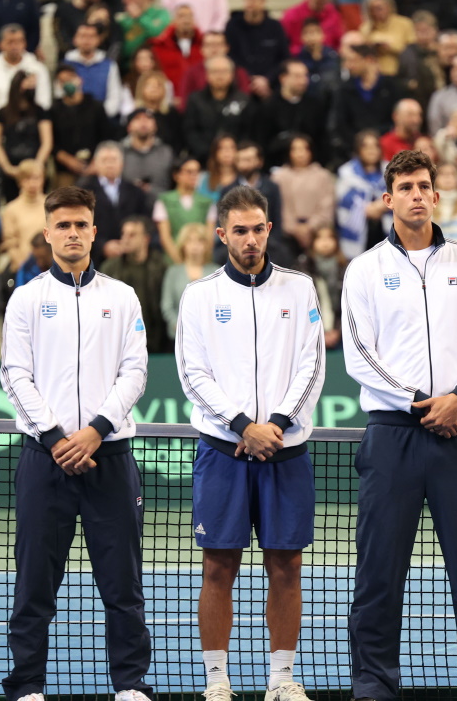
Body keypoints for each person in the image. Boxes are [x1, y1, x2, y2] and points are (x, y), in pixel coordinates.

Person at [341, 149, 457, 701]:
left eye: (424, 186)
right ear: (387, 199)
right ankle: (373, 683)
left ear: (437, 196)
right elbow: (357, 353)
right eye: (405, 187)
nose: (416, 194)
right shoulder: (364, 269)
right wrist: (423, 402)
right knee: (378, 572)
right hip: (392, 437)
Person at [0, 184, 153, 701]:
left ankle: (130, 684)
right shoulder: (26, 298)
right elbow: (14, 374)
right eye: (62, 225)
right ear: (47, 233)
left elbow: (135, 371)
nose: (71, 233)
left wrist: (94, 431)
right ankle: (27, 687)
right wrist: (55, 436)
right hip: (45, 461)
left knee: (123, 585)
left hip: (110, 458)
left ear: (94, 230)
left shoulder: (123, 296)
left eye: (80, 224)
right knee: (34, 586)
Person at [175, 184, 325, 701]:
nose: (251, 239)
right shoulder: (199, 295)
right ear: (222, 234)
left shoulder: (301, 289)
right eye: (239, 230)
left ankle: (281, 679)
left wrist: (276, 425)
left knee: (286, 566)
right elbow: (192, 376)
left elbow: (312, 365)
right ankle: (218, 682)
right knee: (219, 566)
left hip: (286, 451)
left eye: (258, 228)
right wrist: (244, 426)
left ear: (268, 229)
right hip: (224, 452)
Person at [100, 216, 169, 352]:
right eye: (123, 234)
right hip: (119, 342)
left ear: (146, 239)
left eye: (132, 235)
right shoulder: (110, 268)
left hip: (156, 342)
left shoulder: (160, 266)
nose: (125, 239)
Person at [329, 44, 405, 167]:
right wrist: (360, 146)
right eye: (347, 61)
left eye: (353, 61)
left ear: (369, 60)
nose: (348, 65)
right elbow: (340, 123)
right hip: (354, 152)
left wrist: (380, 143)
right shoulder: (344, 89)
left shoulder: (391, 86)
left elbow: (397, 120)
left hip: (388, 150)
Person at [80, 142, 152, 263]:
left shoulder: (136, 192)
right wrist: (102, 246)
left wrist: (130, 243)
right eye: (104, 160)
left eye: (113, 160)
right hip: (94, 259)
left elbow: (145, 221)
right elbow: (79, 226)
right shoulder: (83, 192)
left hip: (131, 258)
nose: (109, 164)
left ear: (122, 163)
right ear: (96, 164)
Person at [0, 71, 53, 202]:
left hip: (36, 169)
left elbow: (47, 141)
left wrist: (37, 166)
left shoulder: (40, 111)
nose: (31, 88)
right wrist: (8, 168)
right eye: (28, 84)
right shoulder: (3, 112)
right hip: (11, 170)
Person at [0, 24, 51, 128]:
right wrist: (3, 125)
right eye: (10, 42)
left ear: (25, 43)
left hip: (32, 128)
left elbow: (44, 102)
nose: (15, 46)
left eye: (19, 41)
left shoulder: (38, 69)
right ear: (1, 44)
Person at [271, 134, 336, 253]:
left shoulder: (323, 176)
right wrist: (294, 228)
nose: (300, 153)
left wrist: (310, 226)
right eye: (295, 149)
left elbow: (327, 205)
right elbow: (278, 207)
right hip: (286, 235)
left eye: (304, 149)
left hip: (317, 235)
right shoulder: (279, 177)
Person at [184, 55, 254, 163]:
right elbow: (190, 131)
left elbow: (248, 131)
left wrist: (234, 153)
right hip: (203, 159)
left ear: (232, 75)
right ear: (207, 75)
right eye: (215, 71)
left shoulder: (243, 100)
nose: (219, 76)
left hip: (236, 159)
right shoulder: (195, 100)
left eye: (224, 71)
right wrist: (208, 153)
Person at [336, 130, 391, 259]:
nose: (371, 150)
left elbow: (398, 193)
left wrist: (381, 205)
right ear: (358, 149)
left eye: (375, 146)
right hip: (358, 231)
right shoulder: (346, 172)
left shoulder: (390, 170)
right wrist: (366, 208)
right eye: (366, 146)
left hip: (385, 230)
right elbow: (343, 199)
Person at [156, 158, 215, 262]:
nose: (194, 176)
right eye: (189, 172)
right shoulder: (164, 201)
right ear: (176, 175)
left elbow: (209, 237)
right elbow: (165, 238)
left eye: (197, 172)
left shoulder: (207, 202)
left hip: (201, 261)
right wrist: (180, 263)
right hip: (173, 261)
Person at [161, 222, 213, 337]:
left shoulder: (217, 271)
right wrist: (179, 326)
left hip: (210, 337)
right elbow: (167, 306)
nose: (195, 245)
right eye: (189, 240)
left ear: (206, 245)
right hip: (178, 336)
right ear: (183, 244)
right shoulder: (173, 272)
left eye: (200, 241)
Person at [225, 0, 288, 92]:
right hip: (240, 84)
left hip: (271, 85)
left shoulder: (275, 27)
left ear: (263, 2)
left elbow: (284, 57)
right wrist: (250, 78)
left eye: (254, 0)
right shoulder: (233, 26)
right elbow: (230, 56)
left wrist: (267, 79)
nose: (250, 3)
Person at [64, 22, 125, 118]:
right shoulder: (66, 65)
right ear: (74, 39)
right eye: (82, 36)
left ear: (98, 40)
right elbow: (60, 94)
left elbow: (115, 96)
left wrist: (100, 115)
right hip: (73, 118)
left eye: (91, 36)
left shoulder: (109, 65)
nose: (87, 40)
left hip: (102, 119)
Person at [151, 5, 204, 108]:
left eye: (190, 16)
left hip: (201, 105)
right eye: (181, 16)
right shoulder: (159, 47)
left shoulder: (204, 45)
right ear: (173, 20)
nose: (186, 20)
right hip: (170, 105)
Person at [0, 160, 48, 272]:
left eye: (36, 178)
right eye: (27, 179)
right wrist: (23, 266)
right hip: (22, 268)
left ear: (43, 179)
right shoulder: (11, 209)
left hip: (50, 267)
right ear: (20, 181)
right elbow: (10, 244)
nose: (32, 183)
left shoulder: (52, 206)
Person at [122, 108, 175, 194]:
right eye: (137, 118)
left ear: (156, 126)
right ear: (129, 127)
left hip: (161, 204)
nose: (143, 122)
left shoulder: (167, 153)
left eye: (148, 118)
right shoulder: (119, 152)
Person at [358, 0, 414, 76]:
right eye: (372, 9)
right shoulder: (365, 28)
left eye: (379, 8)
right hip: (375, 73)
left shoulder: (405, 24)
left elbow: (412, 49)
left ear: (389, 7)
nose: (375, 13)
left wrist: (390, 46)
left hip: (400, 70)